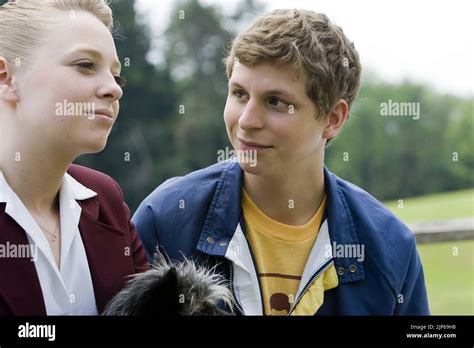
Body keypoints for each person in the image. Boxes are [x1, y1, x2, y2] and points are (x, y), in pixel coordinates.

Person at [133, 9, 430, 315]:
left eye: (276, 102)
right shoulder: (165, 220)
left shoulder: (391, 247)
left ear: (333, 118)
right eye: (239, 94)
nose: (246, 120)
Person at [0, 0, 148, 315]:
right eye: (85, 65)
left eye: (117, 75)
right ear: (6, 77)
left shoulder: (106, 199)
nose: (114, 89)